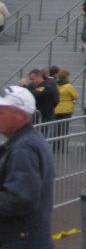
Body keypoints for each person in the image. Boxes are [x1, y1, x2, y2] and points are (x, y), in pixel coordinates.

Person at [0, 85, 54, 246]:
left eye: (1, 112)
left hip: (21, 240)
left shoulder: (24, 148)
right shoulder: (26, 142)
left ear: (19, 115)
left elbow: (21, 199)